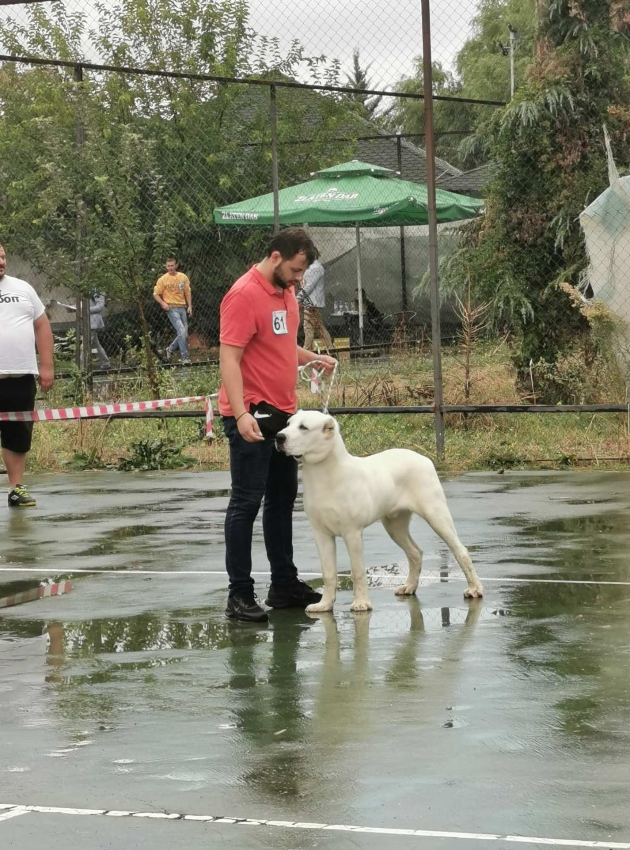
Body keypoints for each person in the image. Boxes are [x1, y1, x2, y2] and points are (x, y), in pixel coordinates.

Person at [219, 227, 336, 622]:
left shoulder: (286, 294)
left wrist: (311, 358)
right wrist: (240, 414)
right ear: (275, 257)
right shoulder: (242, 295)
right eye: (296, 270)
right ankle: (239, 594)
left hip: (284, 415)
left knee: (282, 500)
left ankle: (283, 584)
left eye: (302, 272)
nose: (299, 279)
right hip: (252, 415)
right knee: (246, 502)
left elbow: (280, 346)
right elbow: (229, 359)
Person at [0, 243, 54, 508]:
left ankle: (15, 489)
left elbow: (42, 326)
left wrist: (46, 366)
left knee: (18, 434)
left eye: (2, 256)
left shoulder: (23, 289)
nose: (1, 261)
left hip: (20, 378)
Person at [154, 258, 192, 365]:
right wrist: (163, 303)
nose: (170, 268)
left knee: (184, 333)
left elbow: (187, 292)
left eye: (172, 265)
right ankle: (185, 358)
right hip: (171, 308)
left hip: (182, 307)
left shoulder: (183, 277)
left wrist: (190, 306)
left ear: (176, 265)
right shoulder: (163, 279)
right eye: (168, 266)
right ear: (166, 267)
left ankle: (169, 349)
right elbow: (155, 294)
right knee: (182, 331)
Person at [59, 291, 111, 370]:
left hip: (92, 323)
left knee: (86, 343)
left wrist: (84, 309)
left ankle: (82, 366)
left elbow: (99, 307)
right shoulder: (88, 290)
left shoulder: (98, 291)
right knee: (95, 344)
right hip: (87, 322)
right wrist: (70, 308)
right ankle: (105, 363)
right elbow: (83, 306)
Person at [297, 252, 333, 352]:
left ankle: (305, 353)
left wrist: (297, 299)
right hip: (310, 302)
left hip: (311, 302)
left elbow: (309, 286)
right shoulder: (312, 267)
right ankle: (331, 349)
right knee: (318, 328)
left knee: (309, 329)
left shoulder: (315, 268)